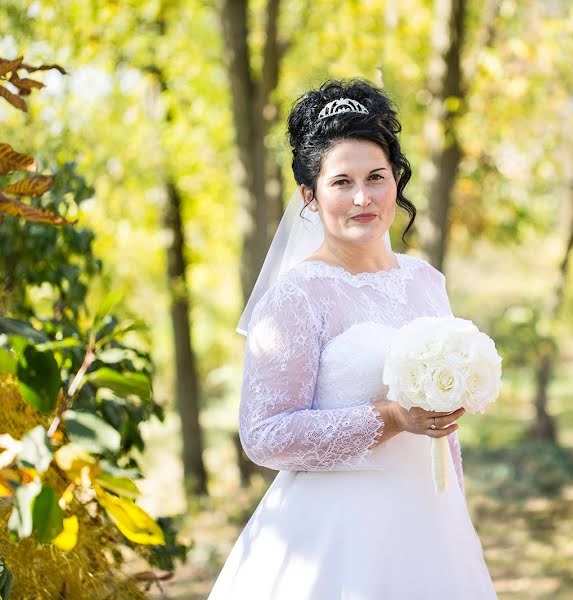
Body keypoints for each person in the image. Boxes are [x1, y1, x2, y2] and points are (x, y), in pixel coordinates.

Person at [209, 79, 496, 599]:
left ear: (397, 180)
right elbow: (263, 434)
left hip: (431, 524)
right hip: (333, 541)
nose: (362, 197)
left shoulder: (425, 281)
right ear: (309, 196)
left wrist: (456, 507)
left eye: (376, 177)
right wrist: (388, 418)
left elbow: (444, 431)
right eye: (341, 182)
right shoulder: (297, 297)